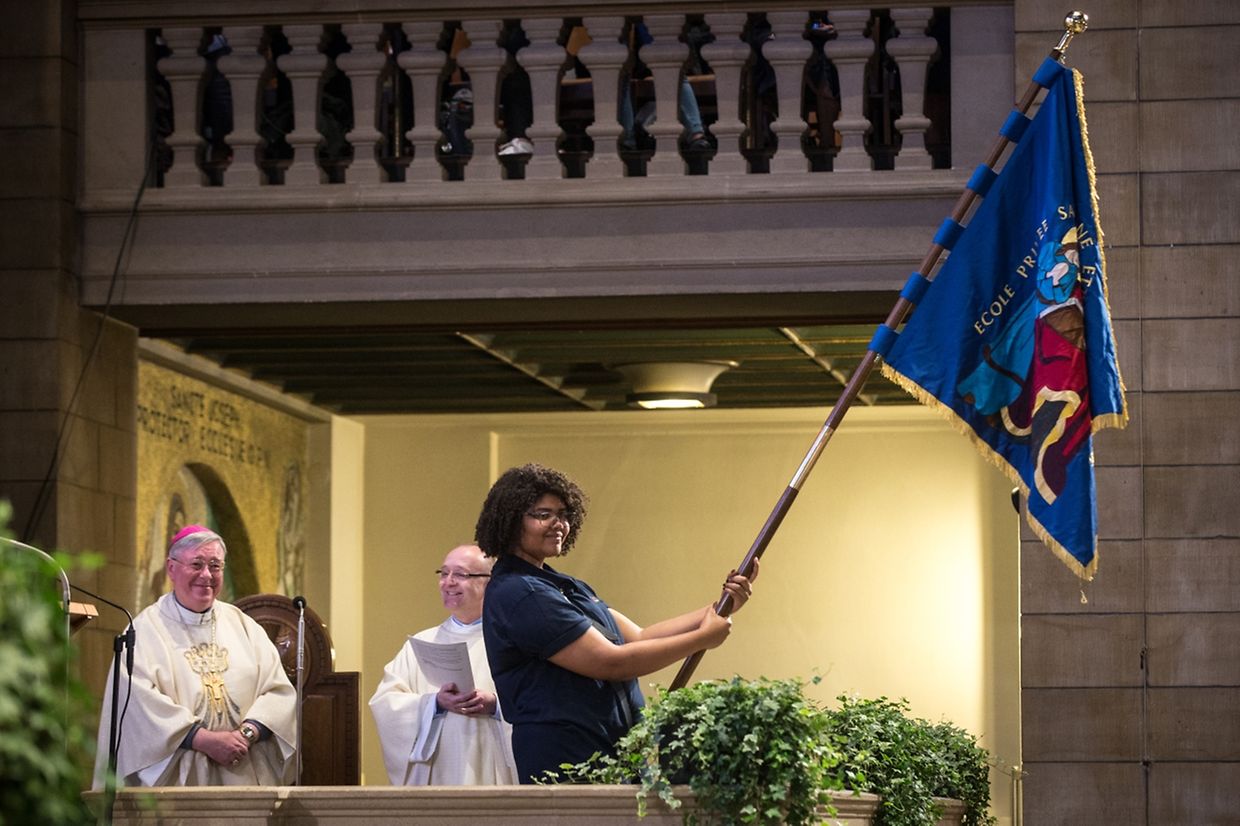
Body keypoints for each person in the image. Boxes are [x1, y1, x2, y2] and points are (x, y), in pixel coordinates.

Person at [475, 463, 756, 783]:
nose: (559, 524)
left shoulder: (564, 585)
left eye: (564, 514)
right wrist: (703, 639)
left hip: (612, 751)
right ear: (512, 521)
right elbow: (611, 662)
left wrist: (722, 604)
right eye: (543, 514)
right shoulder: (520, 593)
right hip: (567, 758)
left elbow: (638, 637)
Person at [92, 525, 296, 788]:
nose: (206, 575)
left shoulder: (244, 626)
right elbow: (136, 705)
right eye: (197, 564)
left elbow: (278, 691)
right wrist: (203, 740)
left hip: (242, 772)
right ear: (171, 568)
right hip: (176, 781)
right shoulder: (144, 631)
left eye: (215, 566)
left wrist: (246, 734)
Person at [369, 544, 518, 785]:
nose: (448, 582)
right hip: (437, 773)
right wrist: (434, 703)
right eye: (444, 573)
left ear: (491, 582)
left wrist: (496, 705)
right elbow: (385, 702)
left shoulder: (514, 644)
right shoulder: (421, 643)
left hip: (493, 770)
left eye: (460, 574)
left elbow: (541, 702)